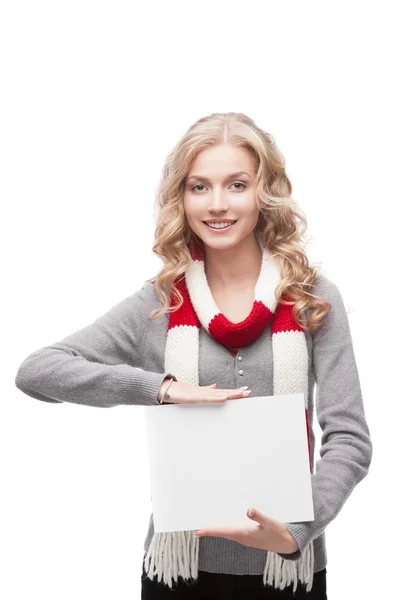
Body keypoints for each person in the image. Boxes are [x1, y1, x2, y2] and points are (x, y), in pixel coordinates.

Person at [15, 112, 373, 600]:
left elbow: (350, 438)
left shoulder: (312, 300)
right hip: (178, 573)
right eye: (199, 187)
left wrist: (294, 531)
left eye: (237, 185)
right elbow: (37, 372)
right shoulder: (162, 304)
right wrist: (160, 389)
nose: (218, 204)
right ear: (180, 198)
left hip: (287, 569)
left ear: (264, 193)